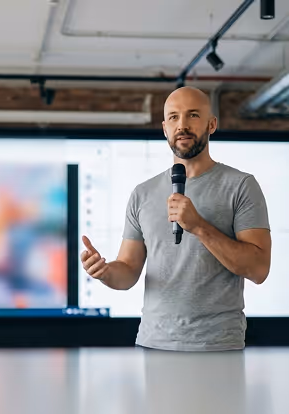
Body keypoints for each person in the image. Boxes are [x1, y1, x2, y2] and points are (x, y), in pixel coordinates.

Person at [81, 86, 271, 351]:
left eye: (193, 115)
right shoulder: (143, 193)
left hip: (218, 347)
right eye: (173, 117)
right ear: (164, 128)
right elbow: (128, 271)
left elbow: (259, 269)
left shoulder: (241, 186)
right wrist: (104, 272)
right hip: (153, 343)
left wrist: (199, 227)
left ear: (211, 124)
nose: (182, 125)